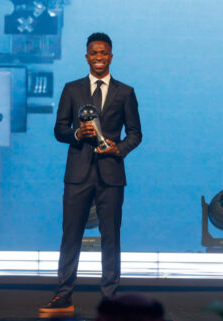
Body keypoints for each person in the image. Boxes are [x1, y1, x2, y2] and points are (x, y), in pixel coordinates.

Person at [41, 32, 142, 313]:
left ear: (111, 56)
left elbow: (135, 133)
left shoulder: (126, 92)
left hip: (111, 174)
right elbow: (59, 129)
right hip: (77, 173)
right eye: (94, 53)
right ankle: (63, 295)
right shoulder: (72, 89)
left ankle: (110, 298)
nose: (99, 58)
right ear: (87, 57)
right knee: (70, 234)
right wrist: (77, 132)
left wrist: (117, 149)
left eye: (104, 53)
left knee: (111, 236)